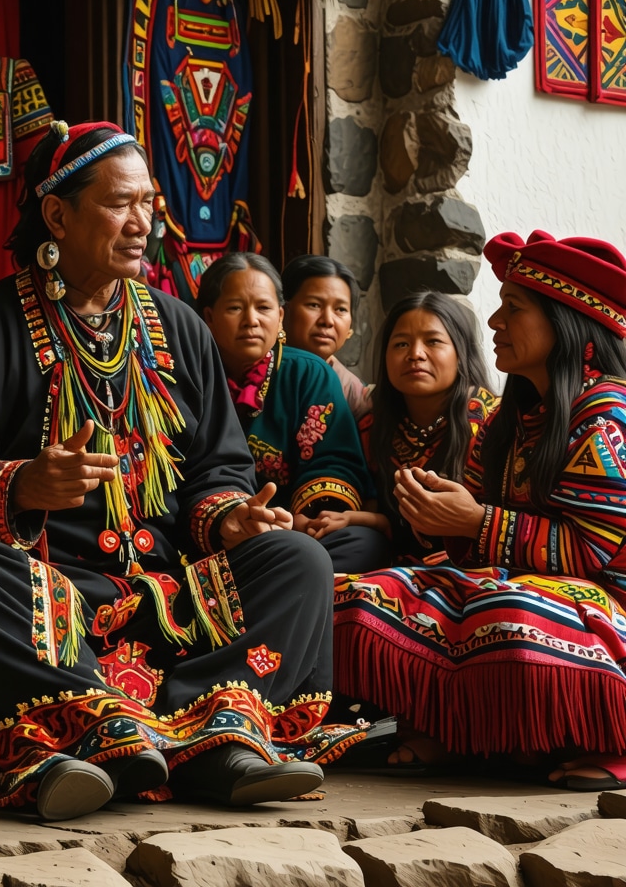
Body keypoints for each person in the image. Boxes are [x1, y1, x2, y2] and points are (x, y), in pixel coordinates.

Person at [0, 120, 354, 820]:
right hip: (44, 589)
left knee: (298, 559)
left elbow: (216, 467)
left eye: (149, 204)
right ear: (57, 213)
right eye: (120, 204)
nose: (143, 224)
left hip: (166, 588)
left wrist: (232, 517)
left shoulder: (178, 327)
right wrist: (24, 485)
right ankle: (81, 734)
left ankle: (214, 738)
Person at [334, 231, 626, 788]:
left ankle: (609, 733)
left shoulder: (604, 415)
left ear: (565, 321)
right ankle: (466, 731)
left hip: (612, 602)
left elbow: (593, 552)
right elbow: (474, 537)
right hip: (534, 583)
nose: (493, 323)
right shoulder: (512, 421)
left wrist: (476, 522)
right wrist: (437, 518)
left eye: (512, 309)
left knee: (507, 616)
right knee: (363, 594)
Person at [197, 252, 391, 573]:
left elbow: (332, 460)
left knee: (364, 545)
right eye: (234, 308)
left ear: (280, 316)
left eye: (263, 308)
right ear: (208, 316)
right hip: (214, 527)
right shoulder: (188, 373)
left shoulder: (308, 373)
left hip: (289, 529)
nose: (251, 320)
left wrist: (306, 519)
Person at [350, 291, 497, 565]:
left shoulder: (492, 423)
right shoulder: (372, 426)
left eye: (433, 341)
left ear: (460, 353)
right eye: (401, 344)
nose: (415, 354)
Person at [282, 255, 372, 420]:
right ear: (283, 311)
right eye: (314, 305)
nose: (328, 321)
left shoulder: (355, 397)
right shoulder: (255, 376)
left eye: (340, 309)